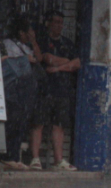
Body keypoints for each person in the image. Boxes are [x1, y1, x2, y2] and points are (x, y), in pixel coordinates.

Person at [30, 11, 81, 171]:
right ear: (49, 23)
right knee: (38, 123)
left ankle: (58, 160)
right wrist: (66, 62)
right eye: (56, 22)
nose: (59, 25)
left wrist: (58, 67)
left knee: (59, 125)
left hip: (62, 91)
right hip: (44, 89)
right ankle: (35, 158)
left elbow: (76, 63)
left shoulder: (67, 43)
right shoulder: (43, 40)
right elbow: (46, 58)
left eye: (61, 22)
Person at [1, 16, 39, 171]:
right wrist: (24, 59)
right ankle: (9, 156)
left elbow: (37, 58)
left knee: (20, 123)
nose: (30, 34)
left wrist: (33, 43)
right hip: (11, 89)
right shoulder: (8, 44)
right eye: (29, 31)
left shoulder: (25, 46)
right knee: (12, 122)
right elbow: (8, 62)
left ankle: (14, 156)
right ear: (21, 32)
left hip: (23, 91)